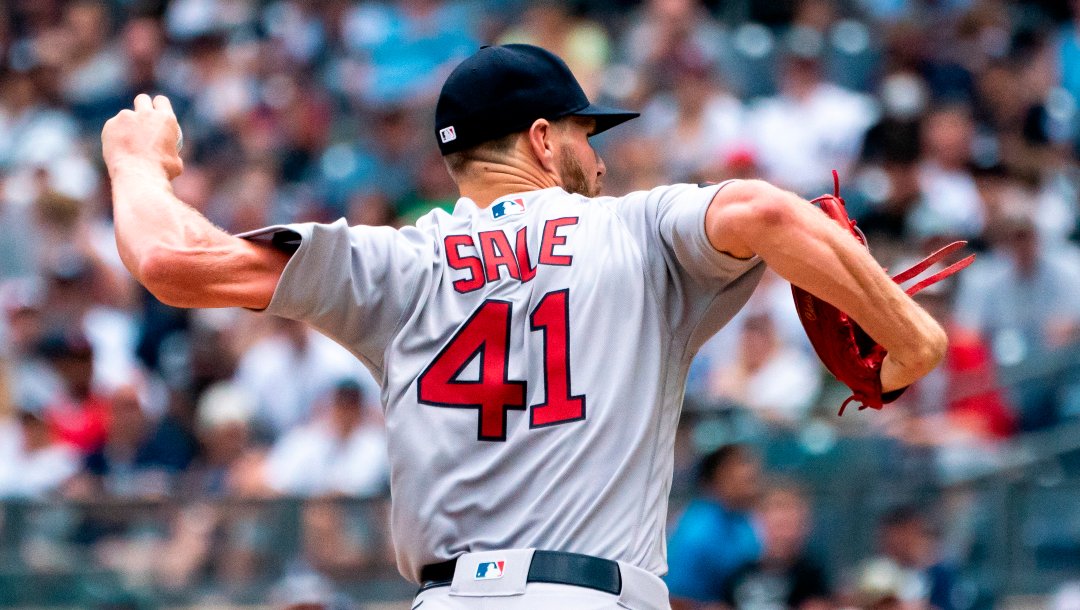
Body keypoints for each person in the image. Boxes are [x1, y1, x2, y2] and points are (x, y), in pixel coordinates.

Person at [102, 43, 948, 610]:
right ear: (543, 139)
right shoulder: (635, 228)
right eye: (587, 134)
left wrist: (134, 163)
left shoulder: (398, 262)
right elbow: (767, 209)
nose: (601, 158)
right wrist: (913, 340)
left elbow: (172, 264)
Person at [666, 444, 764, 608]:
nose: (750, 473)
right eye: (741, 465)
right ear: (719, 476)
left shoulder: (745, 521)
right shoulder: (697, 530)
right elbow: (674, 598)